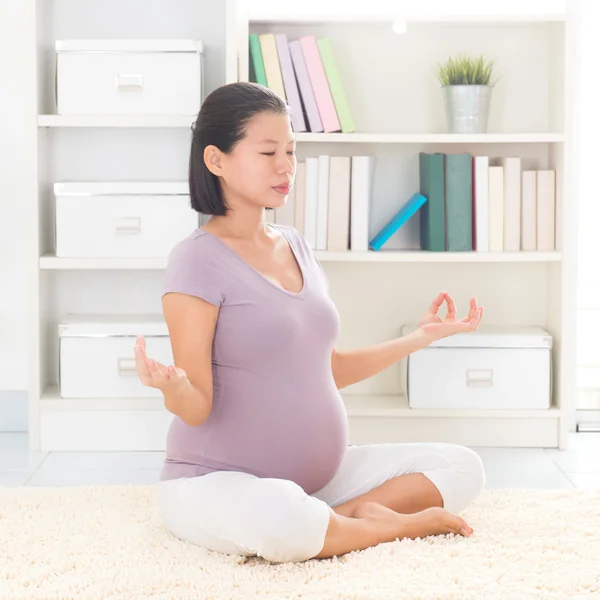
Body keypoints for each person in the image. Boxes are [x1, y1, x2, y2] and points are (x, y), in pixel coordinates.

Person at [133, 82, 486, 564]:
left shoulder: (295, 244)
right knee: (282, 521)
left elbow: (327, 369)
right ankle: (370, 525)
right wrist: (172, 389)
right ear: (216, 160)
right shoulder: (196, 261)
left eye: (292, 152)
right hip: (214, 484)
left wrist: (416, 340)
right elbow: (196, 406)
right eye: (268, 151)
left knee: (461, 467)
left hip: (316, 481)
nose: (286, 167)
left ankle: (336, 519)